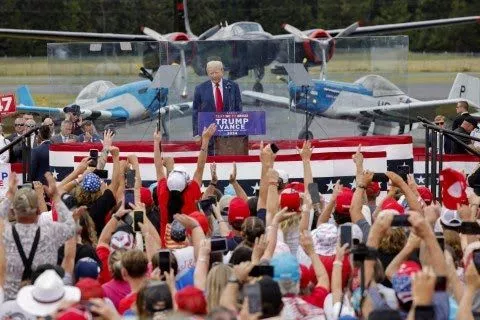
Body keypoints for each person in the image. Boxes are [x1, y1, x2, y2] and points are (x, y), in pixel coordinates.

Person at [0, 172, 76, 300]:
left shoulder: (5, 233)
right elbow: (71, 226)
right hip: (44, 298)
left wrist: (9, 197)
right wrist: (56, 198)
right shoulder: (51, 231)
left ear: (14, 211)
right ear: (37, 210)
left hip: (12, 300)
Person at [192, 60, 242, 138]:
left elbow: (238, 109)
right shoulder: (200, 89)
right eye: (211, 73)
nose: (214, 76)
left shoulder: (233, 86)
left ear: (222, 71)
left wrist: (239, 131)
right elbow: (196, 112)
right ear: (207, 73)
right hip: (209, 133)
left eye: (216, 72)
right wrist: (197, 133)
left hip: (229, 133)